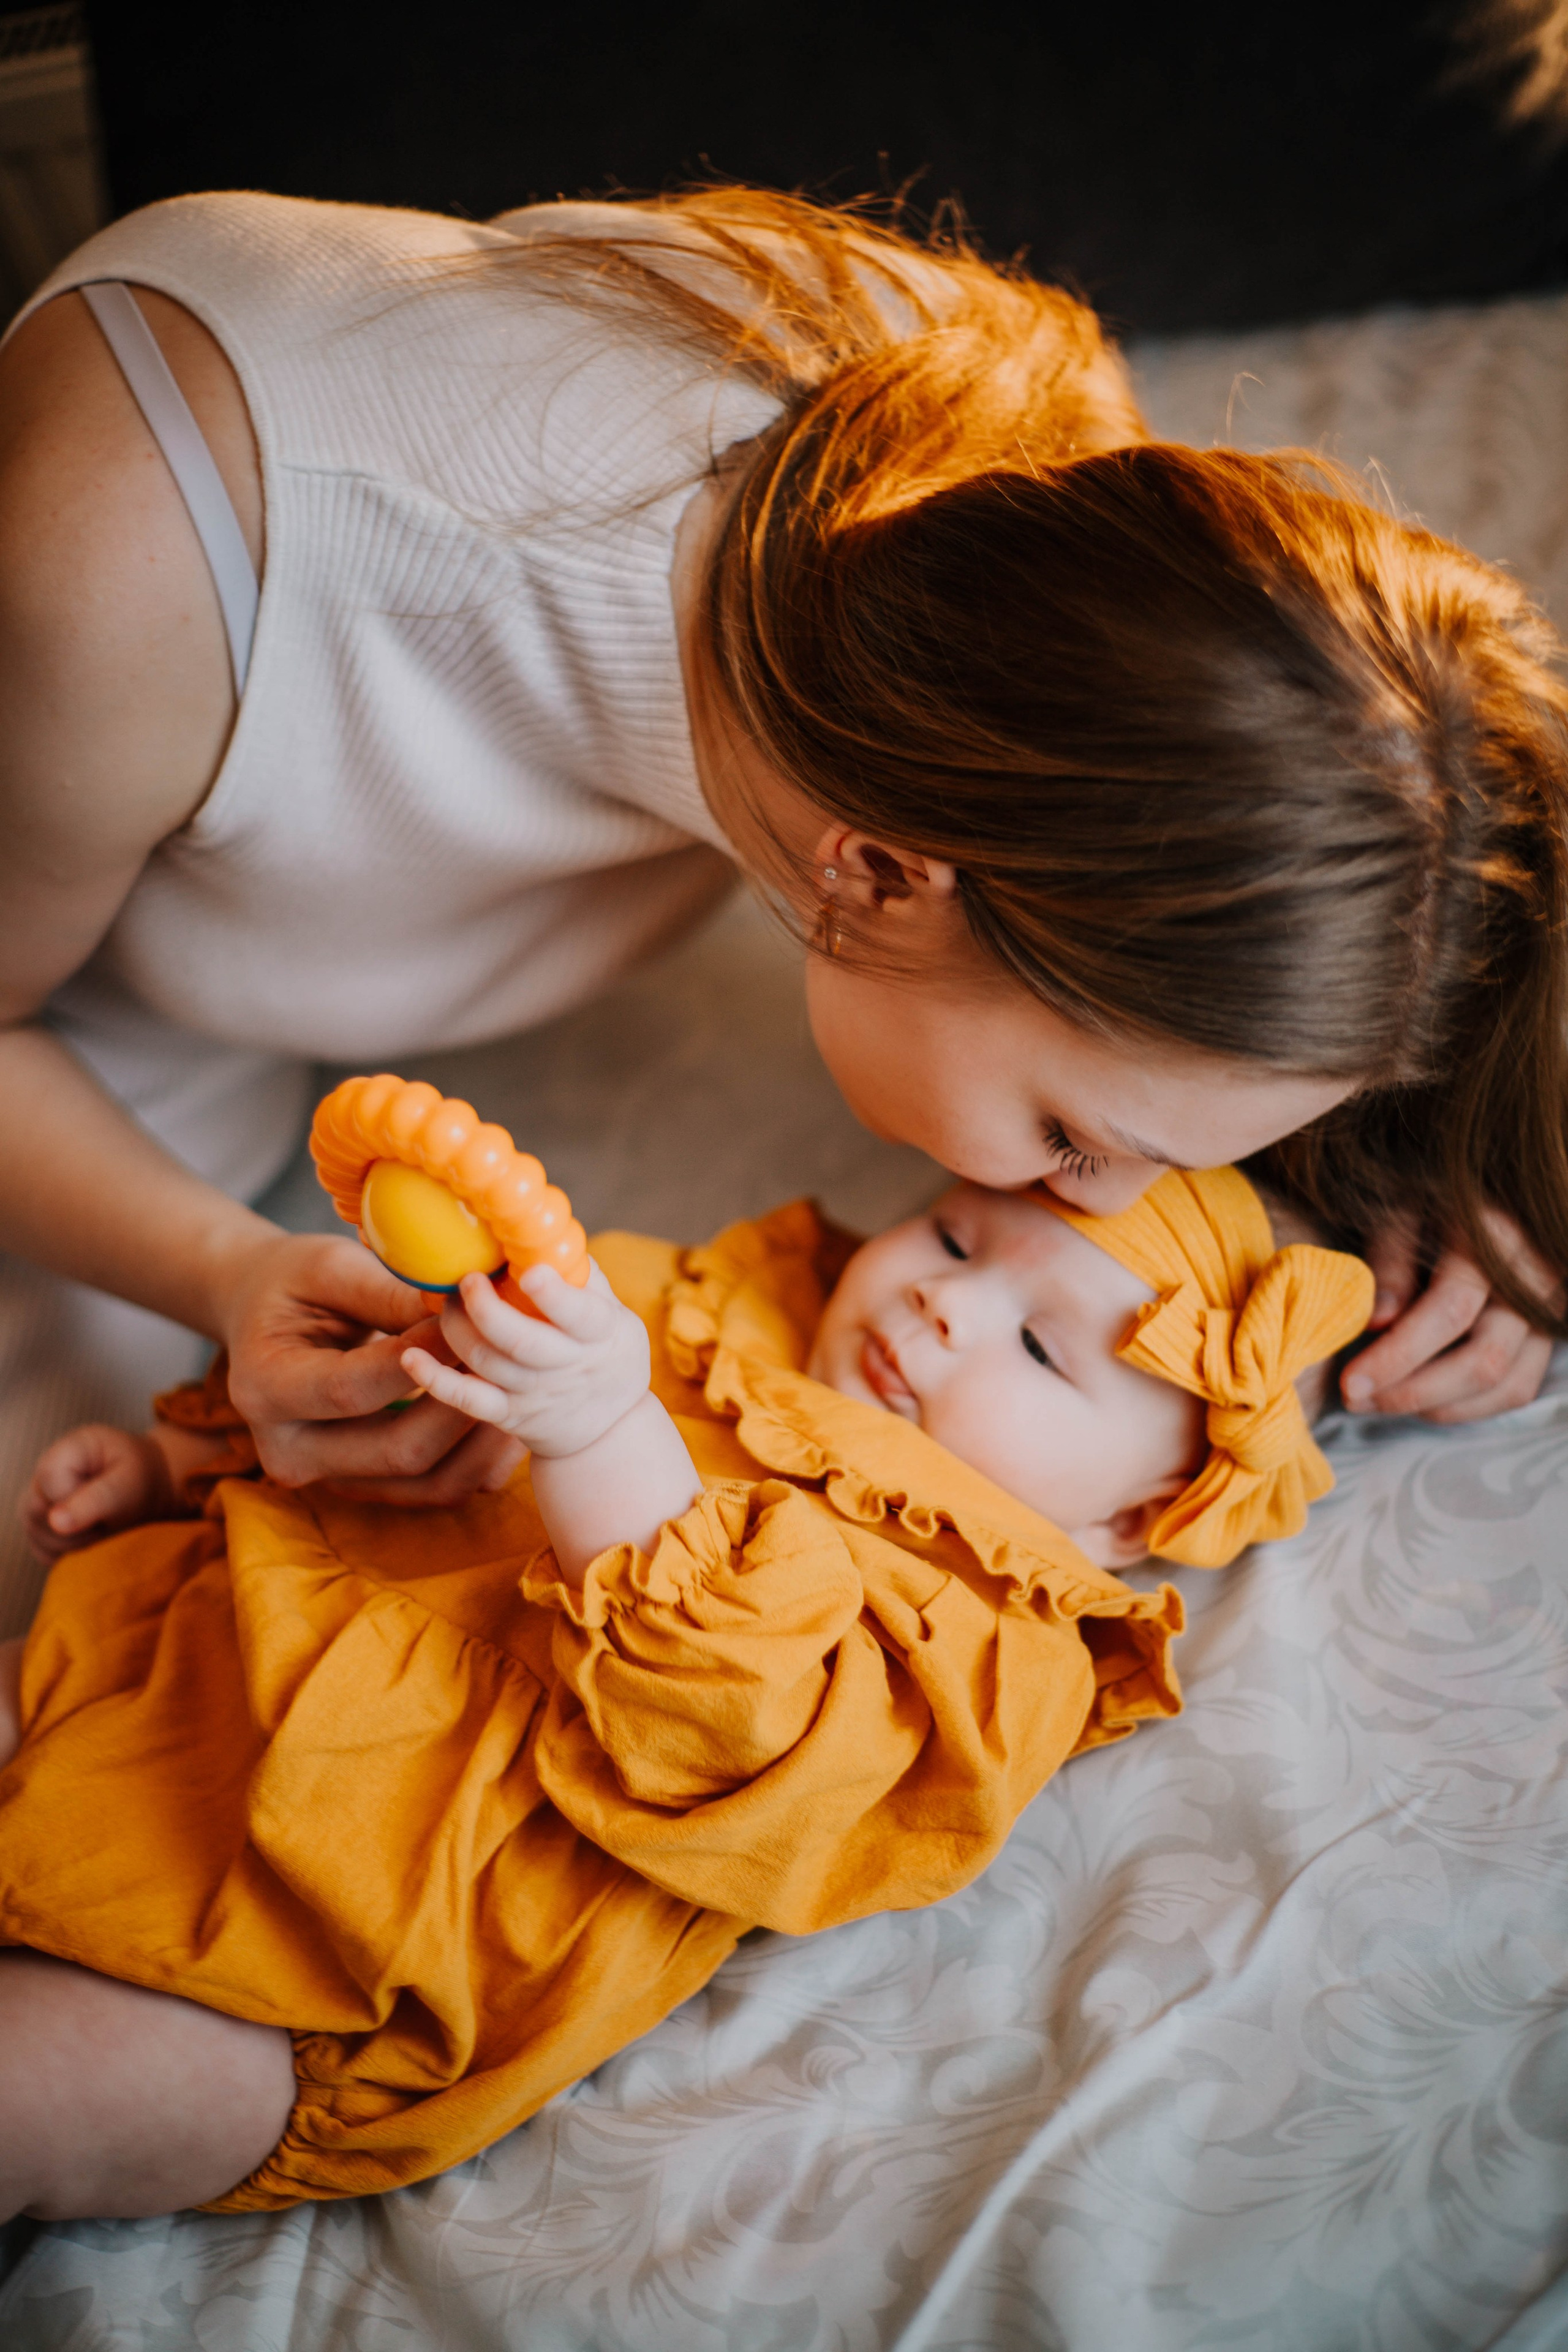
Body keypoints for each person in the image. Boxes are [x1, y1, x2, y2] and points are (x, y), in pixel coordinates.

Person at [1, 186, 1565, 1644]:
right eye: (1072, 1139)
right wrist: (221, 1273)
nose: (1105, 1204)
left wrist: (1436, 1167)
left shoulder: (1040, 542)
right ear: (875, 873)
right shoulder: (115, 564)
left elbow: (1332, 840)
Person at [0, 1155, 1372, 2218]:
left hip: (342, 1960)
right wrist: (190, 1465)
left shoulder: (987, 1638)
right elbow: (417, 1406)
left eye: (1039, 1349)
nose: (944, 1303)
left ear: (1131, 1517)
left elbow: (730, 1727)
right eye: (953, 1237)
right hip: (158, 1668)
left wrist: (603, 1431)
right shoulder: (698, 1308)